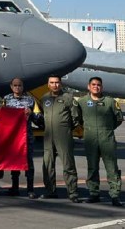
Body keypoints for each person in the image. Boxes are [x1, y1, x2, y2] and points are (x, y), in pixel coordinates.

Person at [75, 77, 124, 206]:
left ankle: (115, 195)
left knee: (112, 167)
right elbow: (78, 118)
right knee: (92, 167)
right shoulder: (82, 102)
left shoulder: (110, 102)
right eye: (93, 84)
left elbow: (118, 119)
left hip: (107, 138)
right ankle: (94, 193)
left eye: (98, 85)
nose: (96, 87)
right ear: (88, 86)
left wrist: (107, 128)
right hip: (90, 138)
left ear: (102, 87)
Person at [39, 74, 82, 203]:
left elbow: (76, 117)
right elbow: (42, 115)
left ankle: (73, 192)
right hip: (48, 136)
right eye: (52, 82)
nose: (55, 85)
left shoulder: (68, 98)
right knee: (47, 164)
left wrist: (66, 128)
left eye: (57, 82)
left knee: (68, 164)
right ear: (48, 84)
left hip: (63, 135)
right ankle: (50, 191)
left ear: (61, 83)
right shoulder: (44, 98)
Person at [3, 77, 42, 199]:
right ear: (11, 86)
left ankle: (30, 189)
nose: (17, 87)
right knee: (15, 163)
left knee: (28, 163)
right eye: (15, 85)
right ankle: (15, 187)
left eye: (19, 85)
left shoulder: (31, 100)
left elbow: (39, 119)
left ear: (23, 87)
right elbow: (2, 117)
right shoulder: (6, 100)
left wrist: (31, 113)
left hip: (26, 137)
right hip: (13, 137)